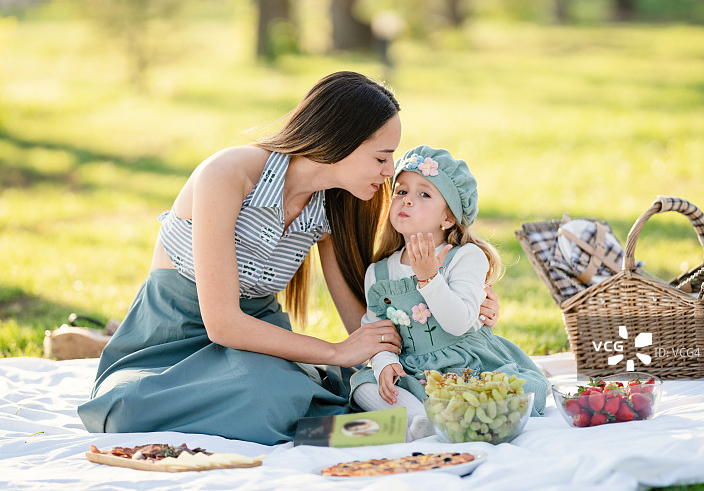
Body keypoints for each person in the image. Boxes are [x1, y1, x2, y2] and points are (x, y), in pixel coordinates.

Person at [77, 72, 500, 446]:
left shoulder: (334, 205)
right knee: (126, 411)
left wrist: (456, 313)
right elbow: (221, 323)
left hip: (258, 339)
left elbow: (364, 318)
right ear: (341, 142)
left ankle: (366, 430)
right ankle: (341, 422)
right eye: (381, 157)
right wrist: (334, 353)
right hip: (171, 336)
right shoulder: (227, 175)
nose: (390, 171)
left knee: (283, 390)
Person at [350, 146, 550, 440]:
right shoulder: (379, 273)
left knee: (517, 390)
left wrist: (430, 278)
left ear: (448, 218)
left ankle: (440, 417)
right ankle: (424, 419)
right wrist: (384, 363)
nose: (407, 200)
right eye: (401, 191)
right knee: (364, 385)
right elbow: (377, 330)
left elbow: (459, 323)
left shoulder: (465, 256)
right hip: (415, 371)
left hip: (468, 366)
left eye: (424, 194)